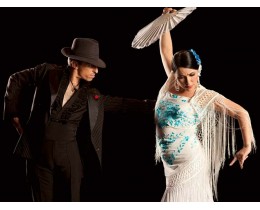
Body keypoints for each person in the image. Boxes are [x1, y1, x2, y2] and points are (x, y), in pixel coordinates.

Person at [3, 37, 155, 201]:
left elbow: (123, 104)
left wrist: (161, 104)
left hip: (69, 156)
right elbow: (15, 79)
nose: (96, 70)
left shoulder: (91, 96)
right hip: (37, 153)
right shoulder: (48, 72)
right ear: (75, 63)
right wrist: (13, 115)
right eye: (91, 65)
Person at [153, 7, 256, 202]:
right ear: (174, 73)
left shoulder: (203, 95)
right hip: (170, 169)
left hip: (191, 164)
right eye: (182, 77)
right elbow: (166, 50)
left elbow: (242, 113)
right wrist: (165, 20)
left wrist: (246, 146)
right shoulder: (170, 83)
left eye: (192, 75)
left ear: (198, 70)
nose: (188, 82)